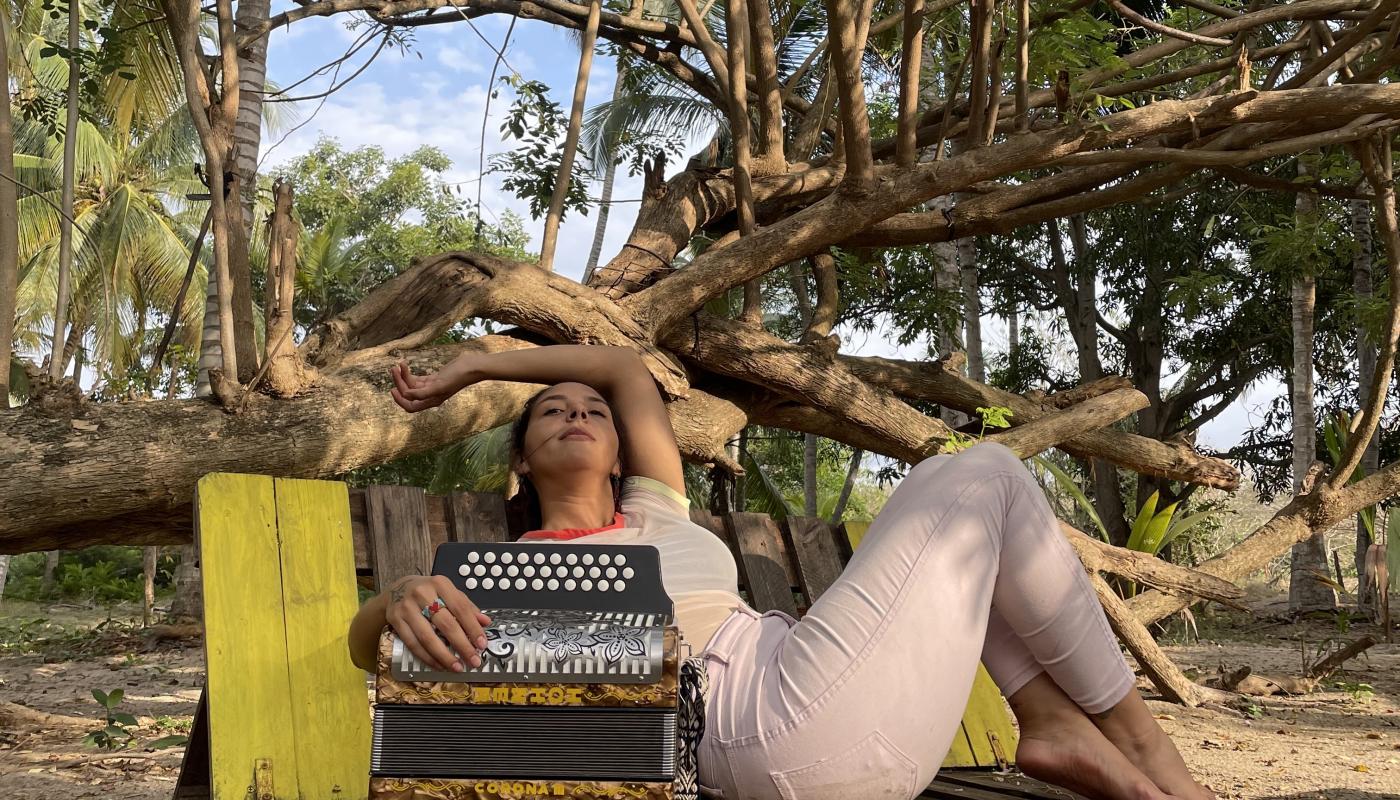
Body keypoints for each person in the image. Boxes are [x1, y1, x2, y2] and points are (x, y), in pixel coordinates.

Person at [347, 344, 1213, 800]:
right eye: (551, 412)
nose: (577, 410)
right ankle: (1141, 745)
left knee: (968, 542)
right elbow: (365, 650)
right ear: (522, 463)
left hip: (798, 676)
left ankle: (1055, 726)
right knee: (983, 475)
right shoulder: (505, 570)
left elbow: (617, 365)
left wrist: (478, 364)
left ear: (619, 454)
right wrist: (395, 598)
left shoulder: (657, 511)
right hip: (745, 725)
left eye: (591, 412)